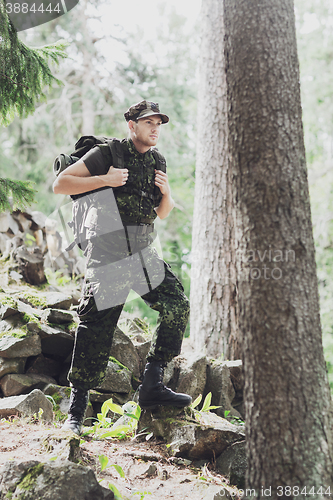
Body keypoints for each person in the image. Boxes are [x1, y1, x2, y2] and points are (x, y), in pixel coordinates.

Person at [53, 100, 192, 435]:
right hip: (109, 254)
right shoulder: (108, 153)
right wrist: (105, 180)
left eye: (159, 123)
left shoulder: (158, 160)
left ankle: (152, 384)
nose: (155, 128)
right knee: (97, 328)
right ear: (132, 125)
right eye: (148, 122)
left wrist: (167, 193)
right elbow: (61, 184)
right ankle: (76, 412)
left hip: (143, 254)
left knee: (177, 305)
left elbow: (161, 213)